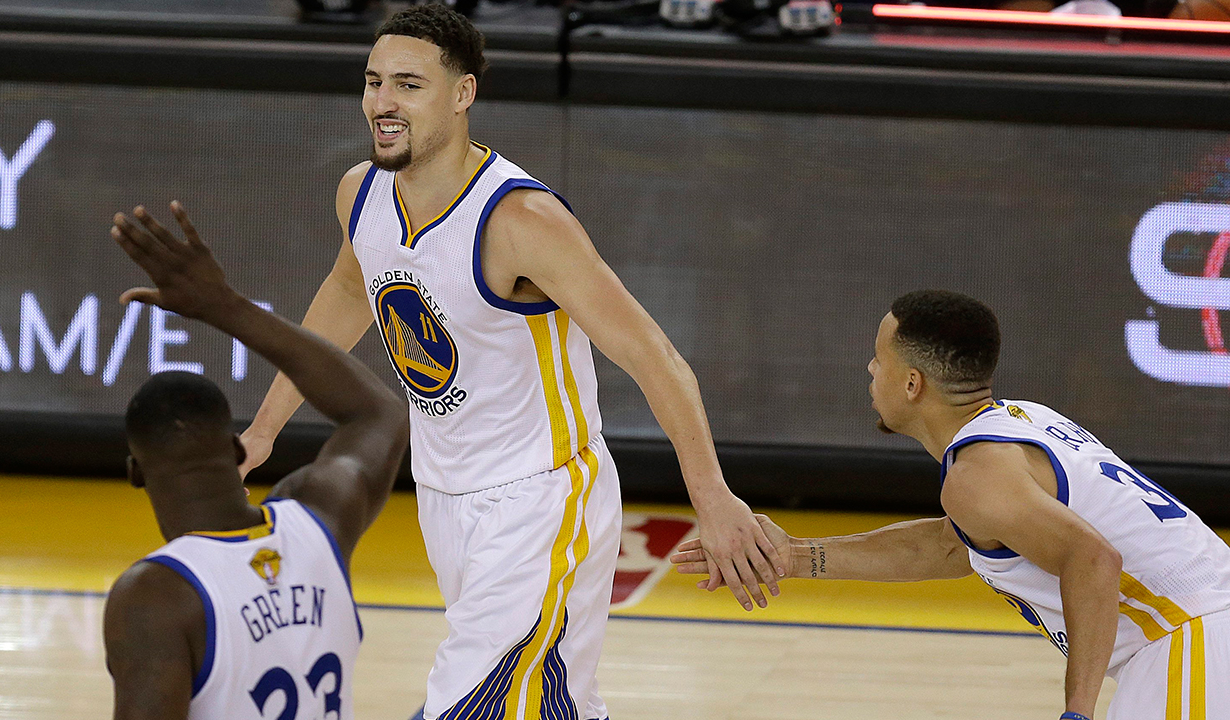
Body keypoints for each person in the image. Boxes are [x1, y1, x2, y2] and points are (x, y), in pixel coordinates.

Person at [237, 5, 784, 719]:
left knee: (470, 705)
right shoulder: (362, 192)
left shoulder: (521, 221)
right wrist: (264, 430)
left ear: (462, 94)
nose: (382, 103)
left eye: (409, 85)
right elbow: (347, 292)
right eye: (374, 82)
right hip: (444, 493)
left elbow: (658, 359)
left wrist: (711, 499)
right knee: (549, 702)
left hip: (543, 500)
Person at [671, 290, 1230, 720]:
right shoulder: (1022, 422)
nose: (870, 371)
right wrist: (794, 556)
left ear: (912, 383)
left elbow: (1093, 559)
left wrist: (1076, 713)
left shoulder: (976, 475)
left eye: (878, 359)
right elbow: (946, 546)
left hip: (1190, 642)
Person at [103, 202, 408, 720]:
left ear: (135, 473)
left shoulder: (156, 596)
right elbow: (378, 413)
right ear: (237, 449)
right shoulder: (319, 522)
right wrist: (226, 307)